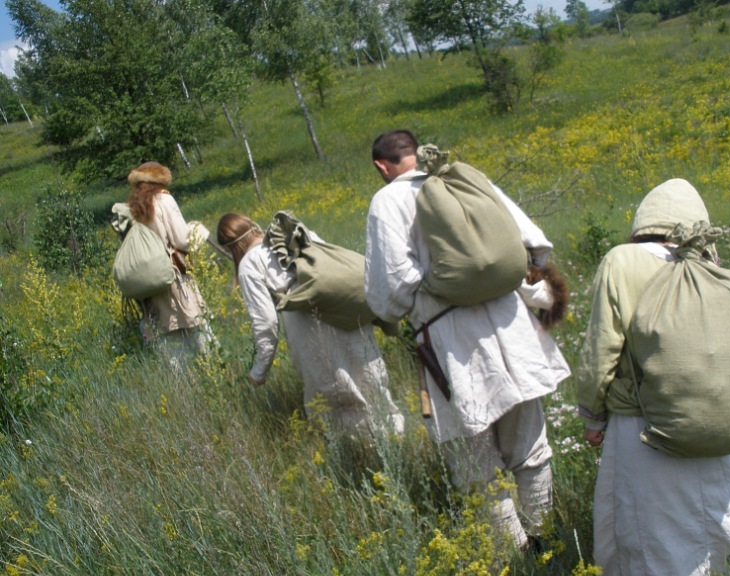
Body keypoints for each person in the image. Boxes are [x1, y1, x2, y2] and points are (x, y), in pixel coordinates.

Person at [363, 130, 570, 550]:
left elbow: (391, 293)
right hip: (512, 327)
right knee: (530, 448)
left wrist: (431, 295)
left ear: (381, 166)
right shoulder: (464, 179)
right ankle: (548, 544)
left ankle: (518, 559)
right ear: (417, 152)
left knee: (476, 465)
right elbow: (534, 244)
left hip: (451, 344)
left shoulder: (387, 201)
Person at [576, 178, 730, 576]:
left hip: (643, 429)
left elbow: (602, 347)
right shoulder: (715, 269)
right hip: (715, 425)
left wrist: (592, 415)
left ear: (645, 221)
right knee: (718, 523)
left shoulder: (622, 261)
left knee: (651, 535)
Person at [216, 212, 404, 437]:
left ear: (231, 248)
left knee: (334, 391)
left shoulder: (249, 264)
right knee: (368, 372)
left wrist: (258, 372)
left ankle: (357, 449)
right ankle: (394, 435)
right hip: (339, 300)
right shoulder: (290, 233)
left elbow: (266, 323)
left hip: (305, 318)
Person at [123, 161, 213, 370]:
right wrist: (197, 229)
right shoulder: (164, 200)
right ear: (160, 180)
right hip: (174, 279)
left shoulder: (131, 208)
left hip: (149, 285)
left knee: (171, 345)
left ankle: (181, 386)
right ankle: (212, 374)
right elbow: (183, 240)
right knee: (199, 332)